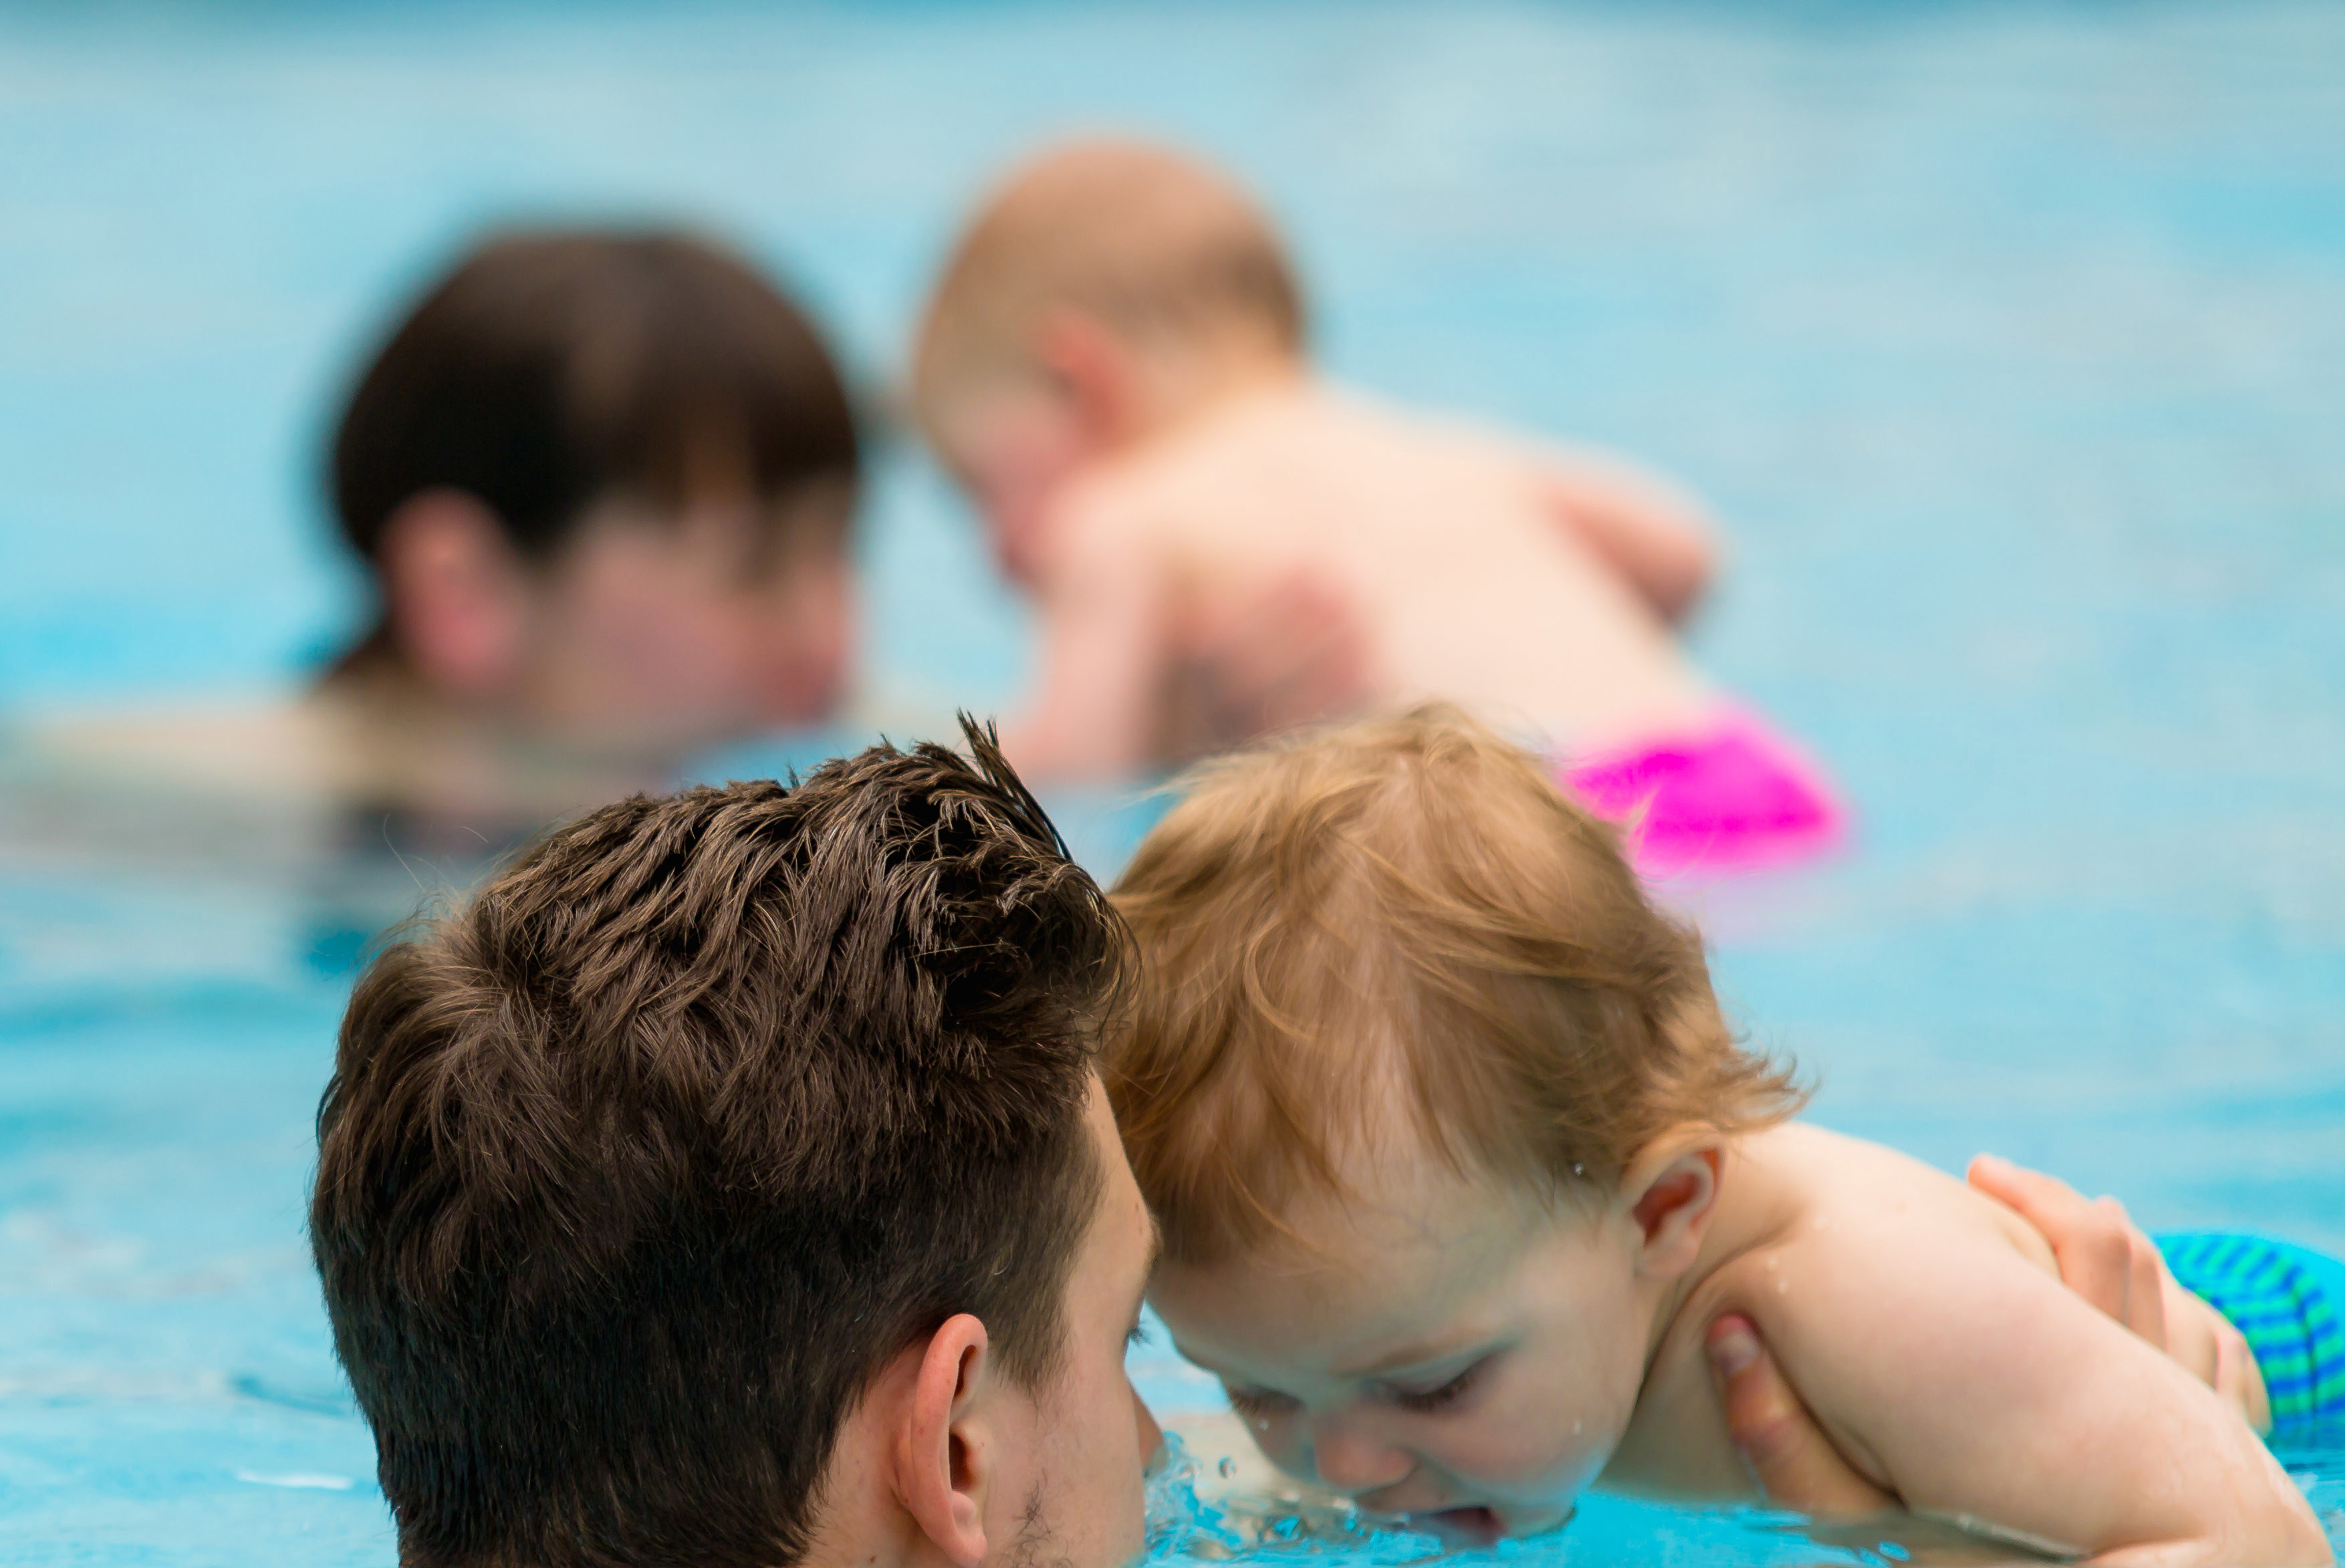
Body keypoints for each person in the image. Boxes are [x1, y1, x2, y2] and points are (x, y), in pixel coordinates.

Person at [1108, 706, 2334, 1568]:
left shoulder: (1865, 1295)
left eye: (1431, 1384)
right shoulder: (1480, 1293)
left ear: (1657, 1212)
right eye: (1258, 1385)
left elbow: (2252, 1549)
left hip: (2289, 1366)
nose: (1344, 1462)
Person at [908, 138, 1842, 873]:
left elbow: (1067, 778)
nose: (994, 557)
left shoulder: (1118, 511)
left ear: (1082, 387)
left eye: (984, 490)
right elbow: (1683, 552)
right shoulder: (1422, 444)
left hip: (1546, 836)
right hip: (1743, 772)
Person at [25, 229, 862, 861]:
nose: (829, 630)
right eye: (751, 569)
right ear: (465, 592)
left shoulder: (817, 743)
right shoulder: (169, 811)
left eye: (841, 548)